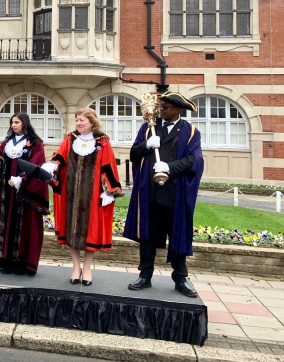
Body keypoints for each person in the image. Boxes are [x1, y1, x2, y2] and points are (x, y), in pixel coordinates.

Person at [124, 92, 204, 298]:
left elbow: (193, 160)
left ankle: (180, 278)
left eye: (166, 107)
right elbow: (134, 154)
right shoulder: (149, 127)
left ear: (177, 109)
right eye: (160, 107)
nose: (161, 110)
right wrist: (146, 145)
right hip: (149, 191)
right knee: (148, 236)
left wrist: (169, 167)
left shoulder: (191, 131)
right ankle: (145, 275)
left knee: (176, 235)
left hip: (174, 193)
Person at [45, 108, 121, 286]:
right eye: (77, 120)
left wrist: (108, 190)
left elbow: (108, 165)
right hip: (70, 192)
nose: (78, 123)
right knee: (70, 229)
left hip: (92, 194)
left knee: (90, 232)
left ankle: (87, 268)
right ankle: (75, 267)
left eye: (82, 120)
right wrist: (52, 168)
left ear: (92, 122)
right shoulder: (70, 138)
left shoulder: (102, 141)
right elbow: (60, 159)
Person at [0, 113, 50, 275]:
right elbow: (0, 159)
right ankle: (5, 260)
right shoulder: (7, 142)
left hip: (24, 193)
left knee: (24, 227)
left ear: (24, 124)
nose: (13, 125)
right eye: (12, 122)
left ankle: (21, 262)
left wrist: (21, 179)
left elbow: (37, 166)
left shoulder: (35, 144)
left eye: (17, 122)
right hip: (6, 192)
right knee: (5, 223)